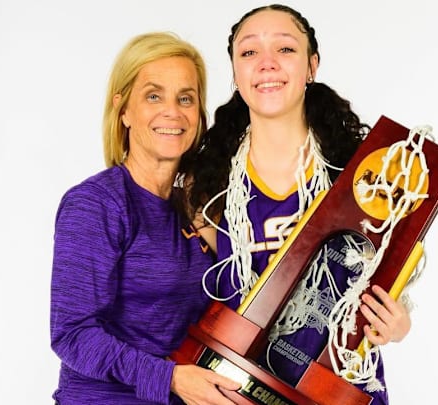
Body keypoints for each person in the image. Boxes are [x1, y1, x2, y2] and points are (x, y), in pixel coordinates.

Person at [185, 5, 411, 404]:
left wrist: (397, 322)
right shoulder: (207, 187)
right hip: (243, 391)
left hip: (337, 390)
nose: (267, 63)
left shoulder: (363, 175)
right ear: (236, 72)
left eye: (285, 49)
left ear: (312, 66)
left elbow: (389, 279)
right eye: (249, 52)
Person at [49, 32, 240, 405]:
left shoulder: (201, 208)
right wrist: (170, 379)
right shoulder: (96, 204)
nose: (172, 111)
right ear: (123, 110)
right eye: (154, 96)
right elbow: (72, 334)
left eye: (185, 98)